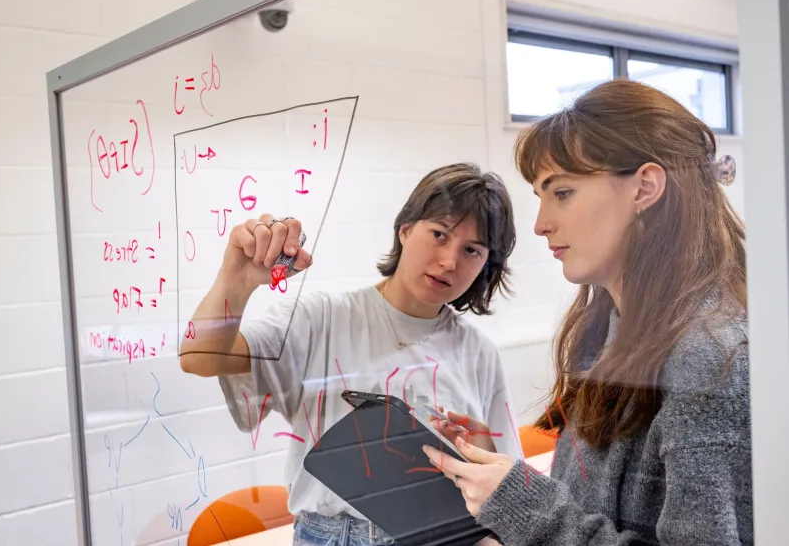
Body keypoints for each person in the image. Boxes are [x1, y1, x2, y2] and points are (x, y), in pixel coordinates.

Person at [423, 78, 752, 545]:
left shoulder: (711, 359)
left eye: (562, 193)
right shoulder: (607, 329)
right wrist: (500, 481)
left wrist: (524, 507)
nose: (540, 225)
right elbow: (588, 508)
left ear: (645, 187)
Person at [179, 163, 523, 545]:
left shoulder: (478, 351)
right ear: (405, 230)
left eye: (471, 250)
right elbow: (199, 357)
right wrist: (236, 280)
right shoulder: (321, 317)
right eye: (439, 234)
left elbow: (506, 480)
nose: (449, 261)